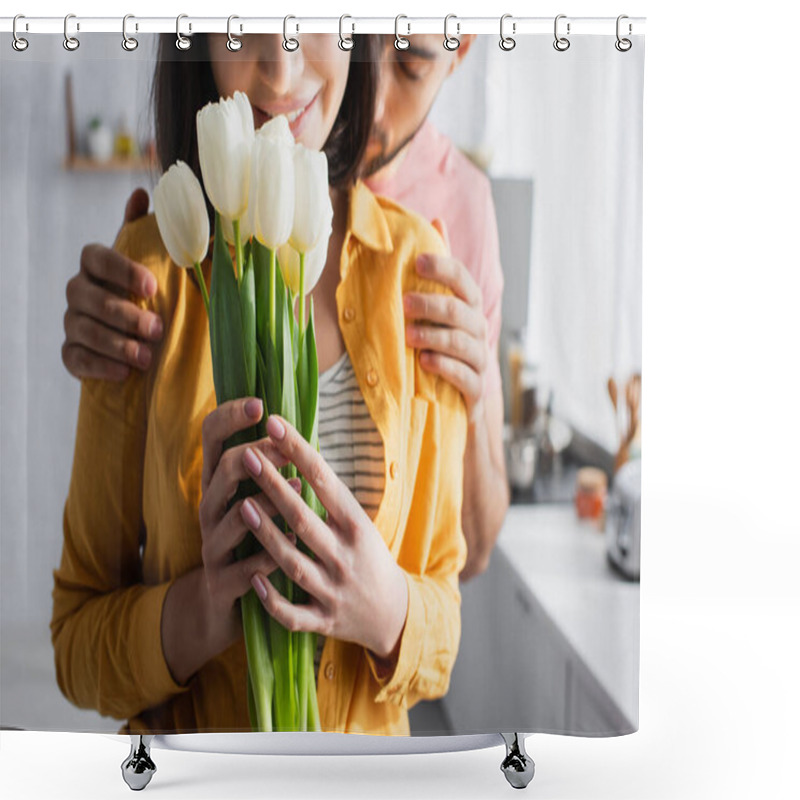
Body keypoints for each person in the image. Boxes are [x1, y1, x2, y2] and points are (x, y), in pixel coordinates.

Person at [50, 33, 467, 737]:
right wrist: (205, 608)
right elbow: (75, 648)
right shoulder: (147, 277)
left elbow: (444, 637)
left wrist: (386, 607)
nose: (281, 66)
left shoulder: (417, 270)